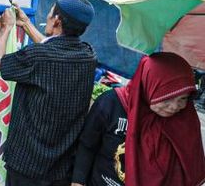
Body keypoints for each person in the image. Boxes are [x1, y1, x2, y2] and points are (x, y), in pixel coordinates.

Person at [0, 0, 97, 186]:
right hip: (61, 168)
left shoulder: (38, 56)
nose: (46, 17)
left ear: (57, 20)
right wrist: (26, 24)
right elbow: (54, 49)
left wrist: (6, 28)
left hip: (26, 166)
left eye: (50, 12)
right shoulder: (88, 56)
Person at [72, 53, 205, 186]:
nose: (175, 107)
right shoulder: (111, 104)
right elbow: (87, 145)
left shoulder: (182, 122)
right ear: (148, 86)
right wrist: (78, 181)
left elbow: (188, 165)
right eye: (167, 98)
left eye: (183, 98)